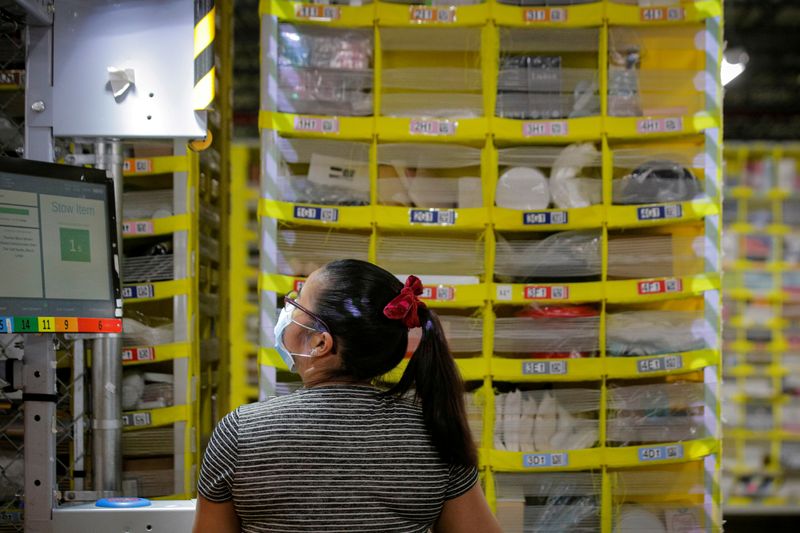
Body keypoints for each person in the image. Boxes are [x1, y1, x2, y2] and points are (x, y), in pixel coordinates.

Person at [193, 259, 501, 533]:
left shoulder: (242, 432)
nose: (287, 312)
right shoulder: (435, 431)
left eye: (297, 305)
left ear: (320, 343)